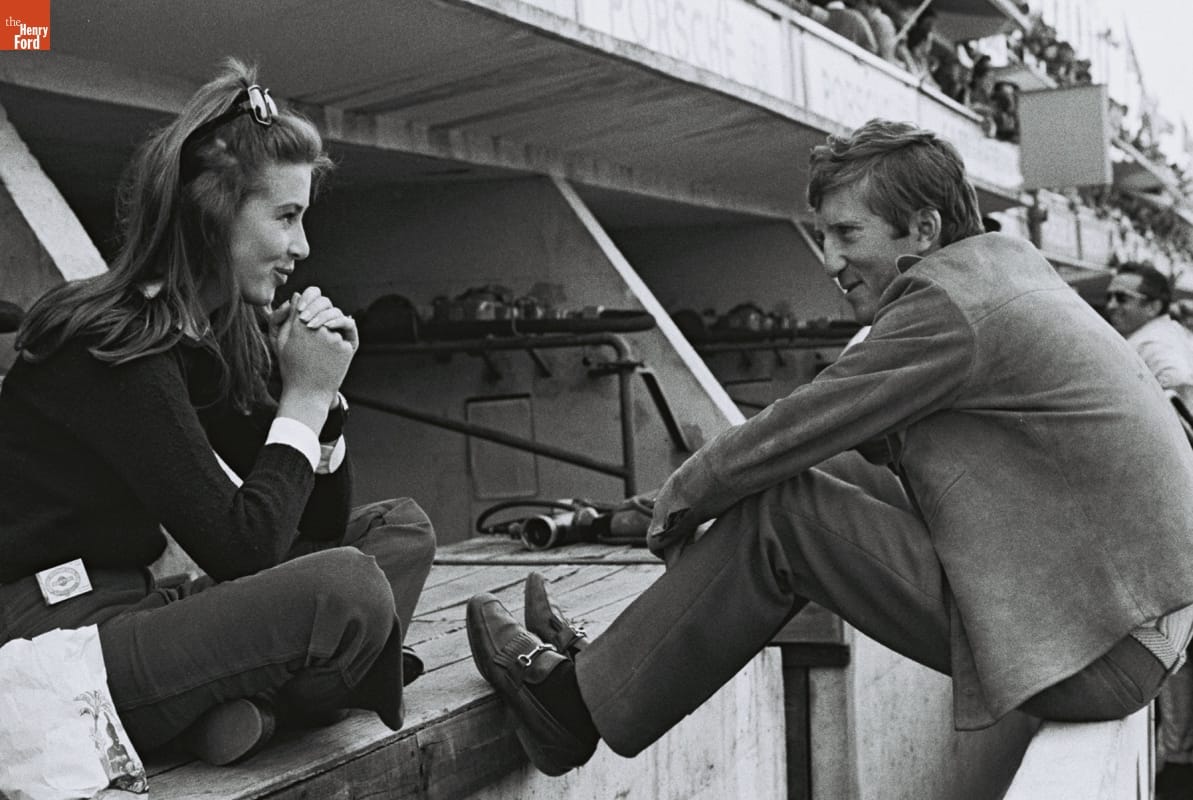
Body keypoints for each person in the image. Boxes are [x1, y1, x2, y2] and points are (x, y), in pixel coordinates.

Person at [466, 119, 1193, 776]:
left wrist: (678, 503)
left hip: (1098, 654)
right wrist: (638, 511)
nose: (828, 258)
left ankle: (569, 708)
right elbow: (835, 445)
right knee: (815, 475)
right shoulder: (999, 273)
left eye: (846, 234)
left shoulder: (948, 306)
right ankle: (607, 662)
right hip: (1121, 628)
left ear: (922, 228)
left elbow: (796, 425)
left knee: (786, 511)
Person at [0, 59, 436, 766]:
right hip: (52, 645)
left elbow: (311, 526)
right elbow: (243, 548)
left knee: (399, 529)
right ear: (213, 217)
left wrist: (325, 412)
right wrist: (303, 395)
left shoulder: (200, 336)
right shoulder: (115, 347)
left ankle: (245, 708)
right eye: (286, 217)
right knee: (346, 585)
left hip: (144, 610)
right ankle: (277, 700)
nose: (301, 248)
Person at [1104, 263, 1193, 411]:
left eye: (1122, 298)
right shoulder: (1167, 331)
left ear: (1153, 307)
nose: (1111, 305)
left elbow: (1178, 381)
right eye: (1109, 297)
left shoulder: (1154, 342)